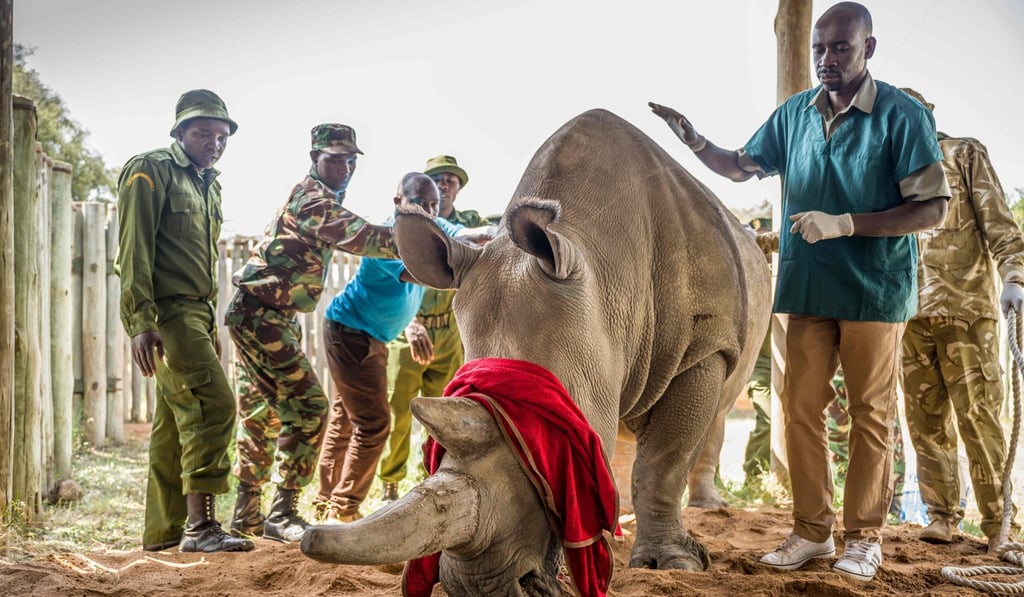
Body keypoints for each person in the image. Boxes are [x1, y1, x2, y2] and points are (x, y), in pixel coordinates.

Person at [650, 1, 950, 582]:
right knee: (797, 408)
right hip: (808, 284)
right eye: (818, 48)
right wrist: (696, 141)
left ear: (869, 47)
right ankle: (812, 529)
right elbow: (741, 166)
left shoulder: (901, 114)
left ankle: (862, 537)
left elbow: (932, 207)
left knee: (869, 414)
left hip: (873, 287)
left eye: (840, 47)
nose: (826, 59)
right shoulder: (794, 115)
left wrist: (846, 223)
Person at [225, 123, 401, 544]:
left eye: (351, 159)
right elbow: (365, 236)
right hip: (260, 314)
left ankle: (247, 517)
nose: (345, 167)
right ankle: (283, 512)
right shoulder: (312, 199)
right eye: (336, 158)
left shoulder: (320, 198)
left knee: (260, 417)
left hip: (270, 316)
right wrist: (431, 240)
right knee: (308, 408)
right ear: (314, 158)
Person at [114, 89, 253, 553]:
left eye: (221, 135)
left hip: (197, 312)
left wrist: (210, 322)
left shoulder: (209, 183)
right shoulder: (148, 171)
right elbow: (134, 250)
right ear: (178, 132)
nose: (214, 143)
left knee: (174, 423)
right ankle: (201, 527)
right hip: (166, 312)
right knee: (214, 406)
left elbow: (201, 258)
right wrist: (140, 319)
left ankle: (165, 531)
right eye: (203, 133)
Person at [897, 87, 1024, 552]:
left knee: (980, 417)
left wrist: (1015, 277)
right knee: (924, 420)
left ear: (926, 116)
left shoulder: (963, 153)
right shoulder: (889, 167)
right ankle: (941, 516)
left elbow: (1001, 225)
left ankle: (999, 526)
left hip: (967, 311)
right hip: (909, 313)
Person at [316, 173, 468, 522]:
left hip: (369, 336)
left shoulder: (430, 224)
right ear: (398, 202)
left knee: (346, 418)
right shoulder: (386, 242)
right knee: (374, 424)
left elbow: (464, 234)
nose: (430, 211)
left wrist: (493, 235)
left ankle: (325, 502)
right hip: (351, 333)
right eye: (420, 203)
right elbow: (430, 273)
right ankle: (345, 508)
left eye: (434, 205)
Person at [376, 155, 494, 502]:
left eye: (450, 180)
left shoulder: (463, 226)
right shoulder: (402, 229)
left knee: (445, 413)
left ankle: (433, 481)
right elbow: (390, 284)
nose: (444, 185)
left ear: (457, 188)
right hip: (410, 330)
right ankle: (390, 488)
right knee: (398, 410)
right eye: (437, 179)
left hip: (450, 334)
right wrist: (410, 324)